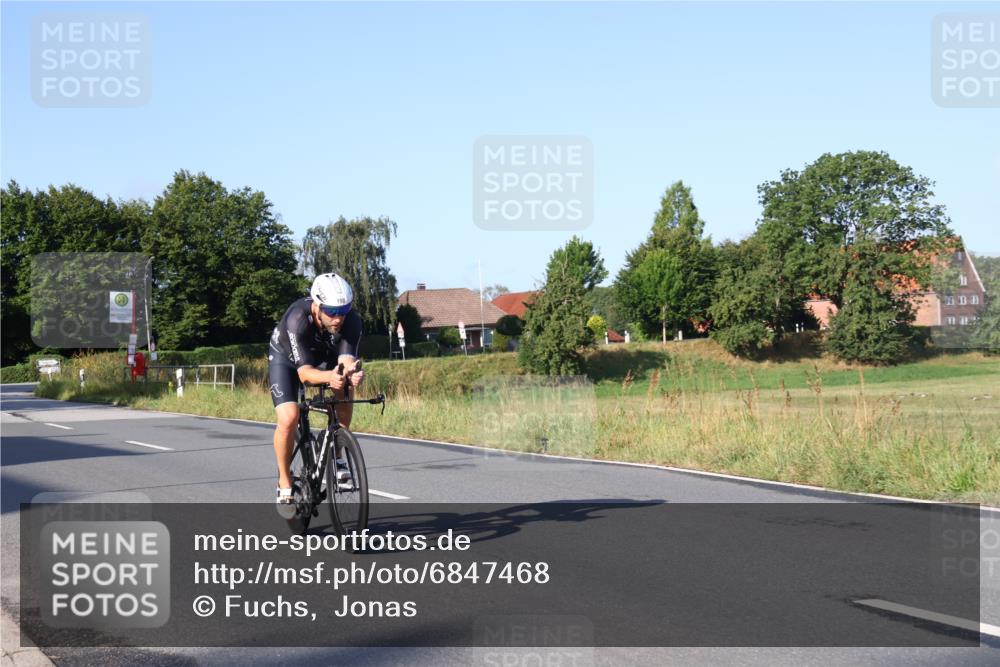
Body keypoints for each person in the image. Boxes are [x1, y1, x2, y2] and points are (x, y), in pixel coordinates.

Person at [268, 272, 365, 505]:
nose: (338, 318)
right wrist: (329, 376)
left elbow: (345, 359)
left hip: (322, 356)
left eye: (343, 311)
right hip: (287, 360)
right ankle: (284, 481)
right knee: (289, 417)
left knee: (344, 388)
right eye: (331, 312)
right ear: (317, 306)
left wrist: (350, 372)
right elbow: (304, 374)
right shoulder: (297, 319)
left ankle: (338, 455)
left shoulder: (351, 320)